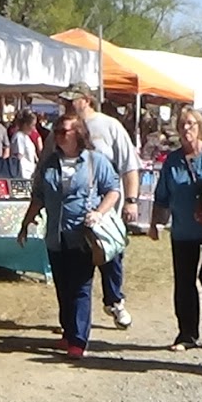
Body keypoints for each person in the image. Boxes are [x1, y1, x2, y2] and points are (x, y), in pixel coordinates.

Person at [16, 113, 122, 359]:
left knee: (81, 286)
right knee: (63, 287)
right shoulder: (49, 164)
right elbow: (39, 196)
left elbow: (113, 190)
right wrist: (25, 223)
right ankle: (68, 331)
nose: (59, 136)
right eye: (57, 131)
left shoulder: (95, 161)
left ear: (79, 134)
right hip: (55, 235)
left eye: (64, 131)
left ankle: (78, 340)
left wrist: (99, 212)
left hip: (83, 236)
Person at [149, 108, 202, 351]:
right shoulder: (172, 161)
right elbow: (162, 196)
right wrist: (155, 223)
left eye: (191, 124)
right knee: (184, 283)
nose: (186, 129)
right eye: (182, 125)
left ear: (200, 127)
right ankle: (187, 334)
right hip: (183, 231)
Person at [61, 84, 139, 329]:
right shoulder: (63, 128)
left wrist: (131, 201)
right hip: (74, 211)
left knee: (111, 255)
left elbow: (129, 166)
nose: (66, 104)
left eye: (72, 100)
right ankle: (75, 319)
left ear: (86, 100)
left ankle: (115, 301)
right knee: (76, 264)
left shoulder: (109, 126)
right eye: (65, 101)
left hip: (107, 208)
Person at [10, 113, 40, 179]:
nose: (34, 128)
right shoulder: (19, 137)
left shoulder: (26, 137)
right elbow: (18, 156)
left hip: (30, 173)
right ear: (25, 125)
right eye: (33, 125)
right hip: (23, 175)